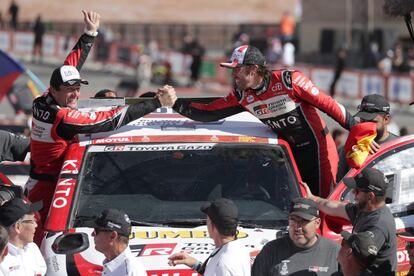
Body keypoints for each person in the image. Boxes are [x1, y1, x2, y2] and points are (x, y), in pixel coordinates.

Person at [27, 11, 177, 245]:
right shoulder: (63, 117)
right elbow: (108, 120)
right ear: (55, 90)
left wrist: (89, 34)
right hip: (46, 186)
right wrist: (156, 103)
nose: (76, 94)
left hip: (47, 177)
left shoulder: (46, 98)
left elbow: (71, 65)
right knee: (35, 241)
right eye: (70, 90)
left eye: (77, 87)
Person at [170, 45, 356, 198]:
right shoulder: (241, 96)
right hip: (290, 153)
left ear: (253, 70)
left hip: (319, 150)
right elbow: (207, 113)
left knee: (322, 203)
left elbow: (330, 105)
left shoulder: (289, 81)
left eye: (237, 70)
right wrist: (174, 103)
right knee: (295, 203)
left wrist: (357, 128)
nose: (233, 75)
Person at [306, 167, 397, 275]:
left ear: (370, 196)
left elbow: (354, 262)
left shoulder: (378, 226)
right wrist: (312, 199)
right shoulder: (365, 209)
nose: (353, 192)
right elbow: (335, 206)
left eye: (357, 190)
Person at [251, 197, 340, 275]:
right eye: (293, 220)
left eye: (303, 221)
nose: (297, 227)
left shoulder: (334, 252)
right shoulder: (271, 251)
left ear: (317, 223)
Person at [168, 198, 250, 276]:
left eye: (207, 220)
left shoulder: (224, 264)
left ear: (213, 226)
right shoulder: (238, 248)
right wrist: (195, 264)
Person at [337, 94, 398, 180]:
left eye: (372, 122)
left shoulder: (398, 146)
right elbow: (339, 185)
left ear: (386, 119)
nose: (366, 126)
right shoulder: (351, 146)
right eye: (363, 121)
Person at [91, 208, 147, 275]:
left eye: (96, 231)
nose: (92, 234)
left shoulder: (129, 271)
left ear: (112, 236)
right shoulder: (113, 265)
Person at [0, 198, 46, 275]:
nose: (36, 225)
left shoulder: (33, 248)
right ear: (18, 227)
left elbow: (41, 272)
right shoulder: (2, 256)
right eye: (32, 221)